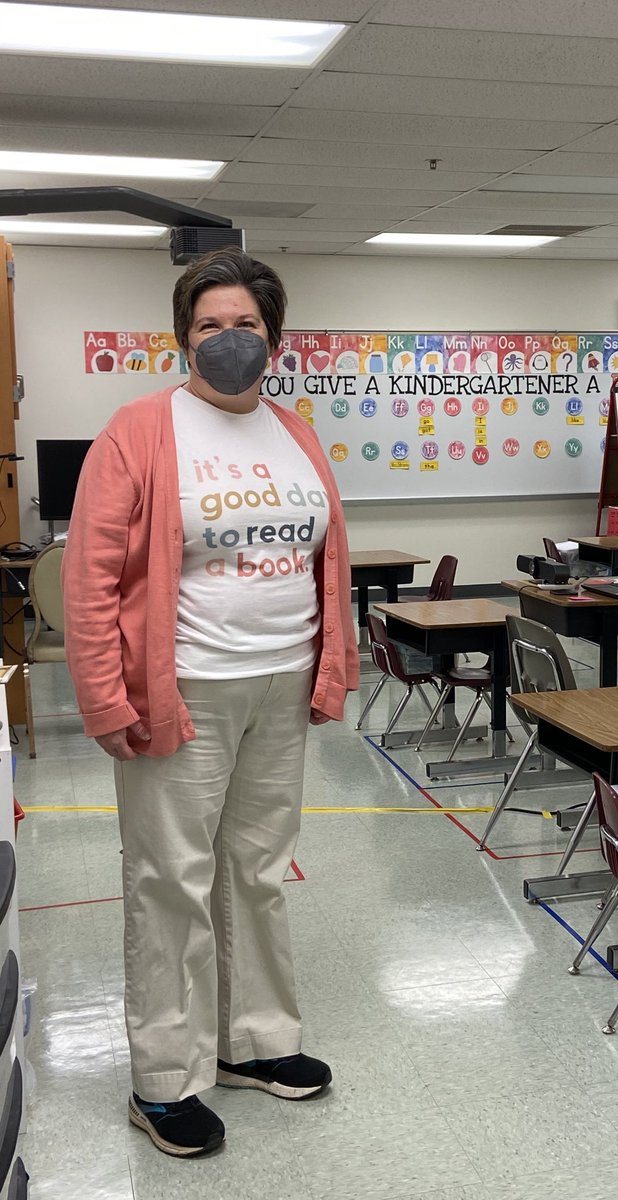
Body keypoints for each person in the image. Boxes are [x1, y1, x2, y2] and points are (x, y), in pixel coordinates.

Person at [62, 247, 359, 1157]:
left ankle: (256, 1042)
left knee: (258, 873)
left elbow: (327, 560)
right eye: (208, 325)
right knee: (170, 885)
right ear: (182, 337)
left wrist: (329, 669)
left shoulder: (294, 430)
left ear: (274, 336)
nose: (228, 340)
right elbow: (91, 576)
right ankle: (164, 1079)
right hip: (182, 689)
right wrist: (108, 698)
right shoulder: (142, 429)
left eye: (245, 324)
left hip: (280, 680)